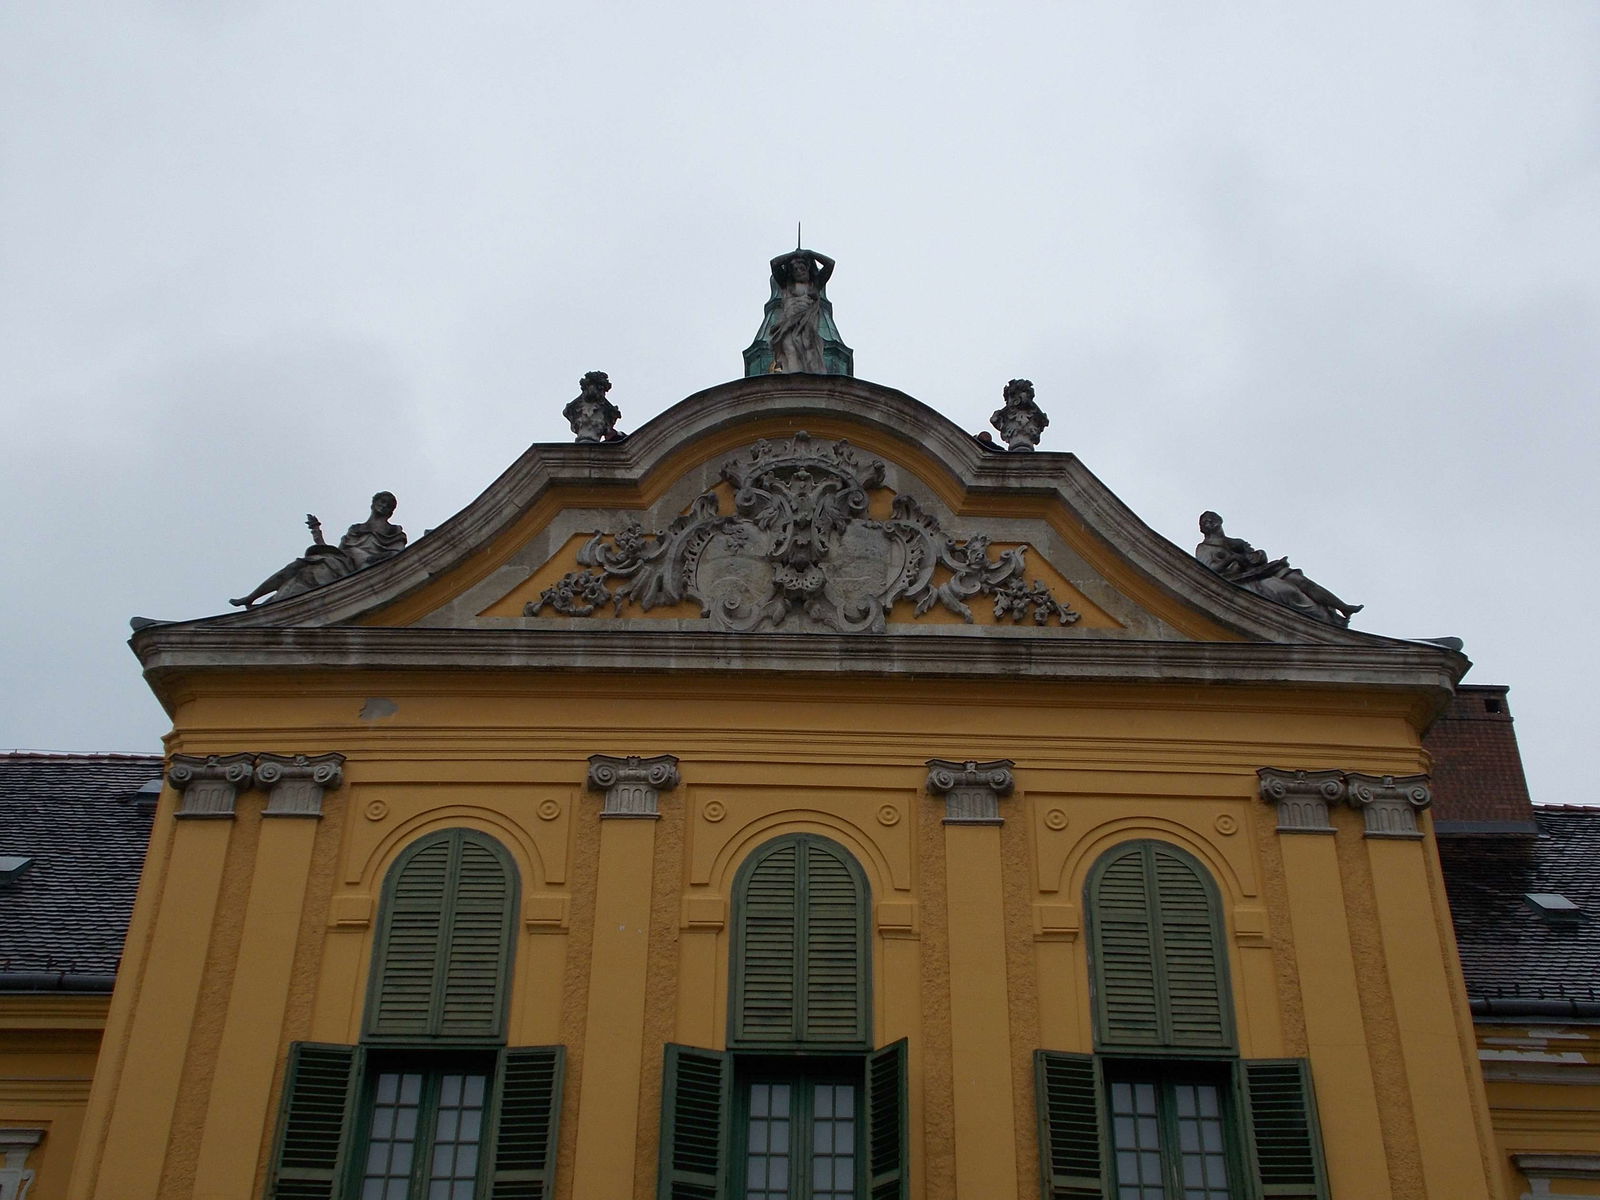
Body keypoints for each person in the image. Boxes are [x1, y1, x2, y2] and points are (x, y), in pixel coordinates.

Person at [230, 492, 407, 608]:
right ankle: (252, 598)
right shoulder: (356, 529)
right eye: (381, 502)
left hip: (366, 571)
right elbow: (339, 552)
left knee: (313, 569)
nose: (384, 506)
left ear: (391, 512)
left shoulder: (394, 531)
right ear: (373, 503)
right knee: (300, 566)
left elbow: (397, 554)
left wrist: (371, 560)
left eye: (388, 505)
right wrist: (317, 533)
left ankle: (267, 606)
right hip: (345, 566)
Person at [1195, 511, 1362, 627]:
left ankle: (1342, 608)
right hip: (1240, 583)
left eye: (1210, 520)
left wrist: (1257, 556)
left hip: (1258, 573)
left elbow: (1256, 558)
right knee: (1289, 591)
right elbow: (1208, 573)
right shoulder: (1204, 548)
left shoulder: (1236, 542)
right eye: (1204, 522)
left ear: (1219, 521)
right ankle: (1323, 621)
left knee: (1299, 580)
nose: (1208, 524)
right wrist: (1232, 559)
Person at [767, 249, 835, 373]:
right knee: (789, 347)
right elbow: (774, 264)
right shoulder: (786, 285)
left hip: (807, 324)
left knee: (810, 349)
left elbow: (830, 264)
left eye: (802, 268)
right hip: (788, 324)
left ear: (808, 269)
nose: (799, 272)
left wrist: (811, 253)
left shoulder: (814, 285)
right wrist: (793, 255)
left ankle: (811, 382)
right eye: (795, 270)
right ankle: (794, 379)